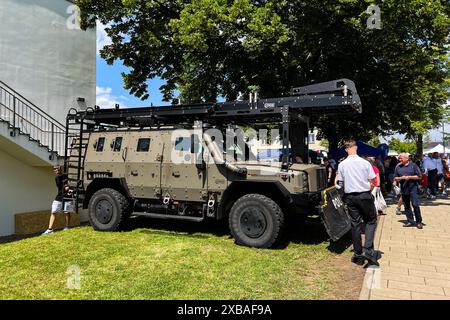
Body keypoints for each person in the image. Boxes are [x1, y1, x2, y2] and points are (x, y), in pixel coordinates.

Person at [336, 140, 379, 266]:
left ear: (346, 150)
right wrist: (368, 190)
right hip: (364, 194)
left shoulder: (342, 164)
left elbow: (340, 182)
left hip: (350, 196)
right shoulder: (365, 162)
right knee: (370, 221)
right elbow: (373, 180)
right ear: (356, 148)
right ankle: (368, 251)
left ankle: (358, 253)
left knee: (355, 224)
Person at [393, 153, 423, 229]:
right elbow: (395, 177)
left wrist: (409, 177)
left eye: (401, 158)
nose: (399, 160)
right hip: (404, 188)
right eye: (399, 158)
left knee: (415, 204)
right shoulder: (398, 166)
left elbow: (419, 176)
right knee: (406, 206)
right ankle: (410, 221)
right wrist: (399, 179)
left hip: (413, 188)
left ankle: (419, 222)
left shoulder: (413, 165)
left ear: (406, 158)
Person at [42, 165, 74, 235]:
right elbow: (61, 187)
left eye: (57, 169)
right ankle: (50, 229)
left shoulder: (66, 176)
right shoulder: (56, 178)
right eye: (54, 169)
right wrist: (65, 187)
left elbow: (69, 185)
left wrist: (68, 187)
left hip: (67, 196)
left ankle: (67, 227)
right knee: (53, 211)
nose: (56, 170)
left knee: (67, 212)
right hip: (59, 197)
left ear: (60, 169)